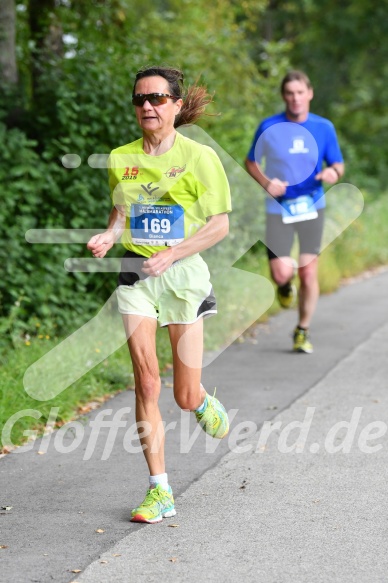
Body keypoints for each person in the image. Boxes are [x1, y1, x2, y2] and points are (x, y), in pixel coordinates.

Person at [87, 66, 231, 523]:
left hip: (183, 277)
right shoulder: (120, 157)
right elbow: (122, 208)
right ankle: (160, 490)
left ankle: (202, 400)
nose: (146, 106)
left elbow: (219, 226)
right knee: (147, 382)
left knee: (183, 395)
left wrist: (173, 254)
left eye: (155, 98)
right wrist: (111, 235)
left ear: (174, 104)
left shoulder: (200, 158)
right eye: (139, 100)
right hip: (136, 275)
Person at [245, 70, 344, 353]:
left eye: (300, 92)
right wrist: (266, 182)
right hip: (278, 208)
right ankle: (285, 286)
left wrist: (333, 173)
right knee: (280, 273)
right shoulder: (269, 126)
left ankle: (302, 329)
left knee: (309, 272)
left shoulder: (324, 127)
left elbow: (337, 164)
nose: (295, 98)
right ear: (283, 96)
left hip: (313, 204)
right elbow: (252, 161)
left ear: (310, 94)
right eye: (289, 93)